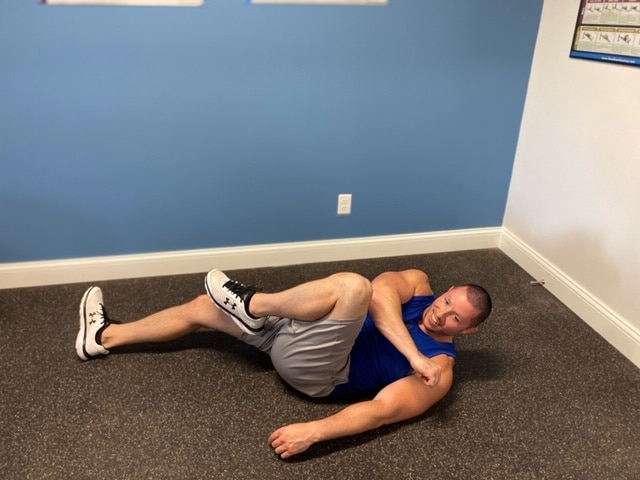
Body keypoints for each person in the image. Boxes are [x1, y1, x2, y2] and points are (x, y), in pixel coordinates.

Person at [76, 268, 491, 459]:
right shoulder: (418, 284)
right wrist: (411, 353)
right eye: (447, 301)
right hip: (307, 328)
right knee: (204, 306)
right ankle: (104, 337)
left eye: (456, 318)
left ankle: (252, 305)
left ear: (468, 331)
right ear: (447, 288)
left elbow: (381, 411)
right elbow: (384, 296)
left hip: (319, 373)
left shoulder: (439, 369)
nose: (441, 313)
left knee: (351, 286)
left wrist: (315, 432)